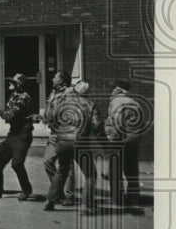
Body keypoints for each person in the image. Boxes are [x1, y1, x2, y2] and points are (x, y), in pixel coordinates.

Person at [44, 81, 101, 213]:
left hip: (62, 142)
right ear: (87, 93)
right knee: (90, 174)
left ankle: (50, 201)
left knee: (61, 171)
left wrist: (57, 133)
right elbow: (97, 125)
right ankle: (87, 205)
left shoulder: (64, 103)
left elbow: (51, 118)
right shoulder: (90, 104)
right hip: (80, 143)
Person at [0, 73, 34, 200]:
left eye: (12, 82)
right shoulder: (13, 96)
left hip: (23, 134)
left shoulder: (23, 97)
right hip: (13, 134)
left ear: (19, 84)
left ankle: (26, 189)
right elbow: (7, 112)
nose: (9, 83)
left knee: (17, 164)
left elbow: (10, 115)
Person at [105, 79, 144, 208]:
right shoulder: (135, 103)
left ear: (118, 89)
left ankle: (117, 199)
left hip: (119, 139)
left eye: (113, 88)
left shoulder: (115, 102)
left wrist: (112, 140)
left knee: (115, 170)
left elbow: (116, 121)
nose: (111, 90)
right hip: (133, 139)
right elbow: (141, 124)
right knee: (132, 170)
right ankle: (134, 198)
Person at [40, 71, 76, 205]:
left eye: (55, 77)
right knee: (48, 162)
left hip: (66, 133)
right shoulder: (53, 93)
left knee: (68, 165)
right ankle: (58, 193)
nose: (52, 79)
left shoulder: (70, 93)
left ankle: (70, 195)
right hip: (54, 132)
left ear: (62, 80)